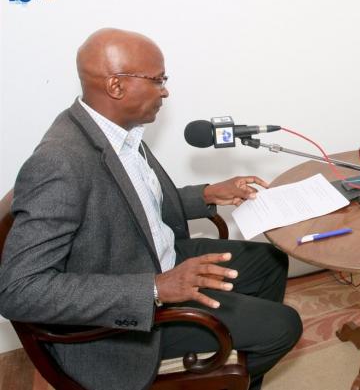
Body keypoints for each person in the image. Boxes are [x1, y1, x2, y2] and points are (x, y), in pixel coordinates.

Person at [0, 28, 302, 390]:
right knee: (283, 327)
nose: (165, 91)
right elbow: (19, 291)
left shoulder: (117, 132)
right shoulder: (59, 162)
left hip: (155, 259)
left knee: (271, 262)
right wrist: (155, 289)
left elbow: (134, 204)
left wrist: (206, 194)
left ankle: (239, 374)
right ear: (116, 86)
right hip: (121, 326)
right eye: (158, 80)